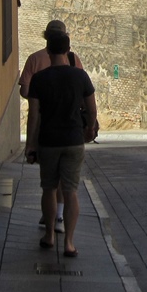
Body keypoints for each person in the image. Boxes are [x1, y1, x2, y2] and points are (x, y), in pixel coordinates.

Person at [25, 31, 97, 257]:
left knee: (48, 189)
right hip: (73, 140)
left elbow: (34, 116)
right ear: (68, 50)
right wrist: (89, 129)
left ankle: (48, 236)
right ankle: (69, 242)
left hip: (49, 141)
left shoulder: (39, 79)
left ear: (47, 50)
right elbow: (92, 109)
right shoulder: (80, 76)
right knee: (71, 191)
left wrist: (31, 145)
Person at [20, 20, 84, 233]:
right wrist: (90, 126)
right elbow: (85, 96)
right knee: (69, 187)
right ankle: (61, 222)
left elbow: (26, 93)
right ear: (66, 42)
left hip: (45, 131)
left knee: (49, 183)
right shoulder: (74, 62)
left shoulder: (35, 60)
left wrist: (30, 143)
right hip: (72, 133)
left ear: (46, 40)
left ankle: (50, 225)